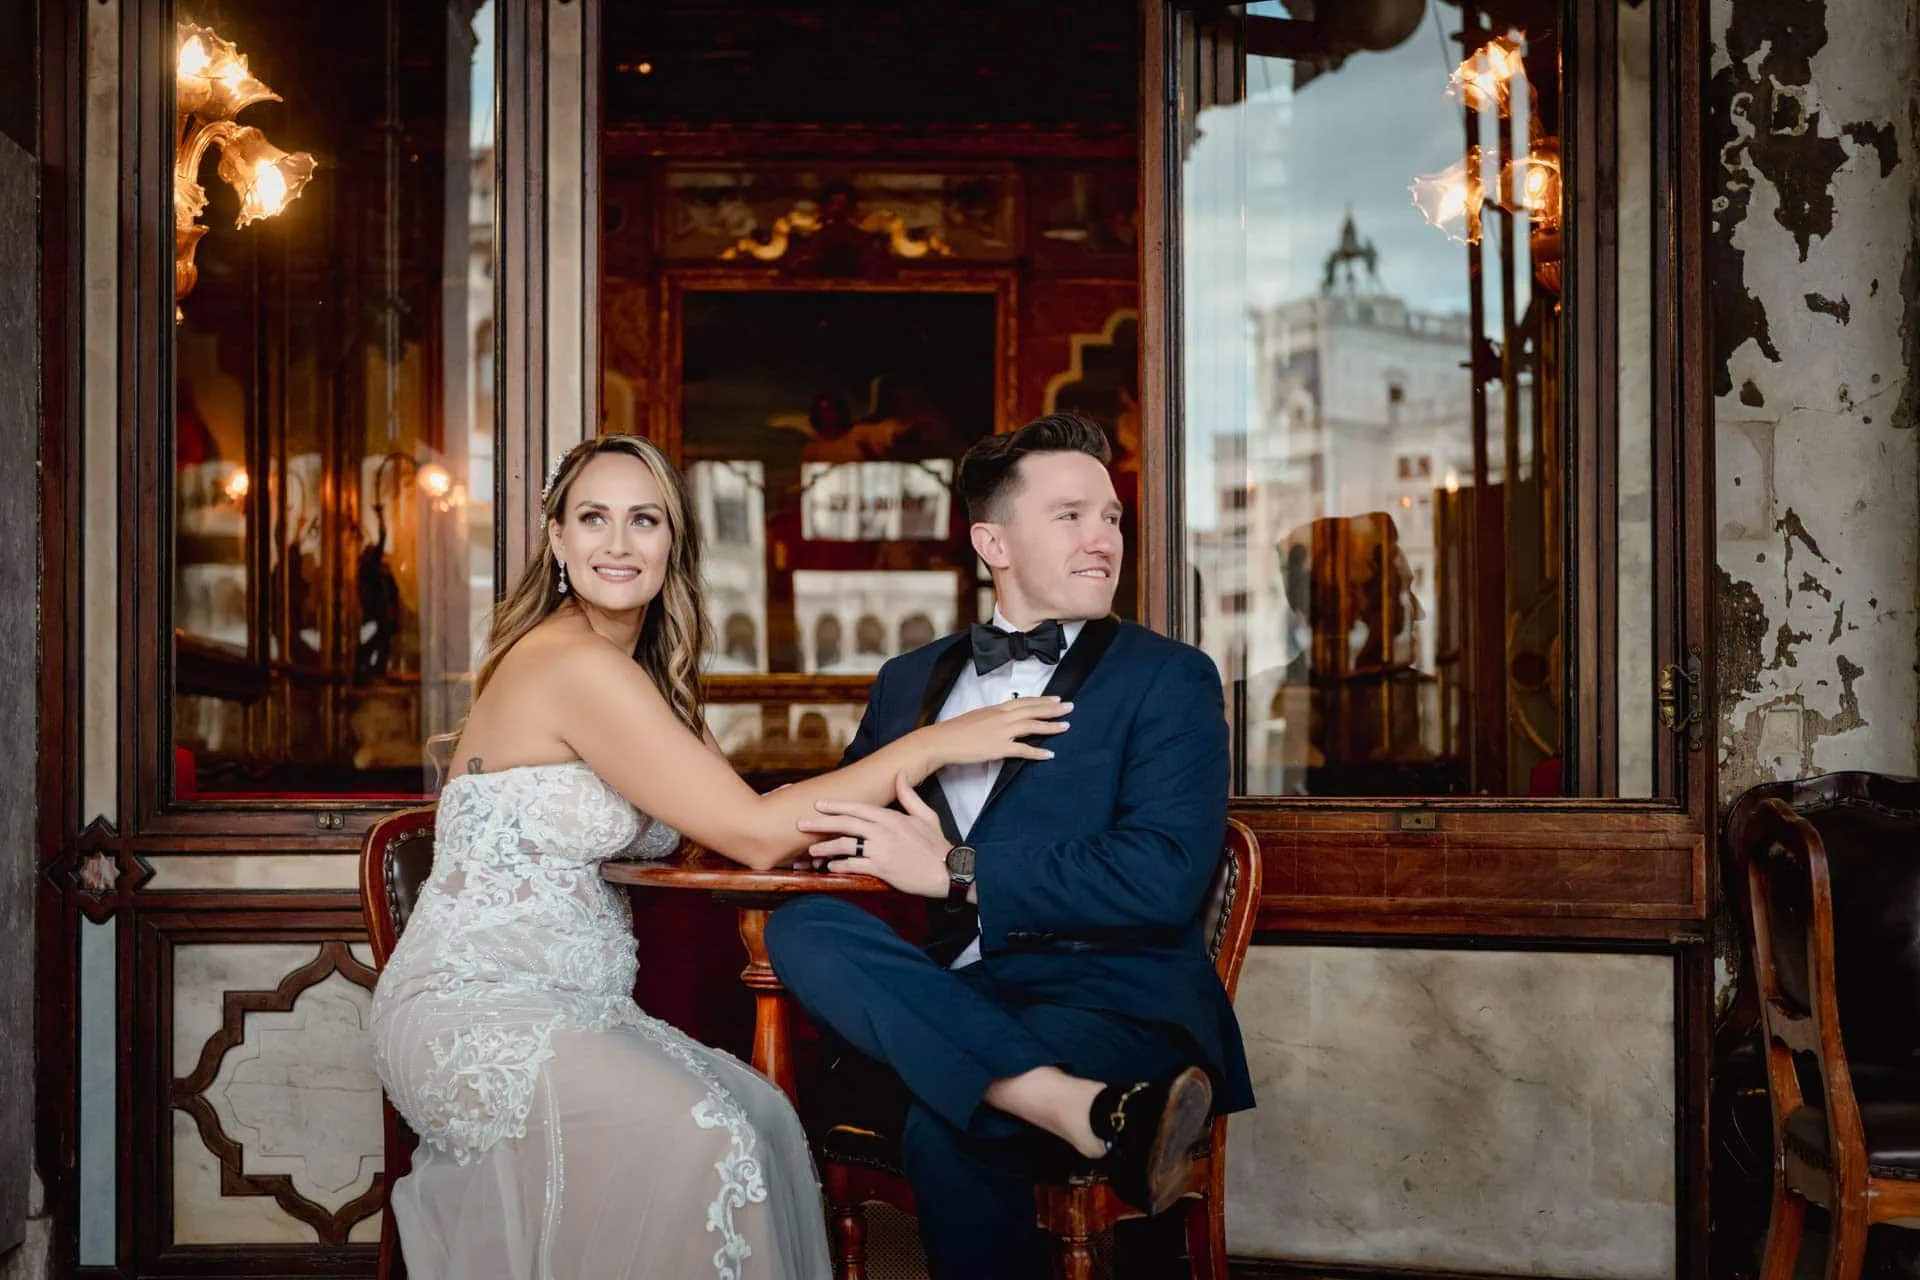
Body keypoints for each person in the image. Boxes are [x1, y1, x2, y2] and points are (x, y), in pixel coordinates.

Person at [369, 433, 1070, 1280]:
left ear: (674, 543)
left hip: (577, 1008)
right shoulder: (570, 662)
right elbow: (755, 834)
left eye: (645, 520)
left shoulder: (642, 678)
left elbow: (739, 819)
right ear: (556, 539)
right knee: (704, 1133)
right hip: (478, 1008)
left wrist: (868, 834)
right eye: (593, 519)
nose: (619, 544)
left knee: (766, 1115)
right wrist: (934, 743)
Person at [764, 413, 1255, 1279]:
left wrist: (958, 869)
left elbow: (1163, 876)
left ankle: (1063, 1094)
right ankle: (1082, 1108)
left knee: (951, 1125)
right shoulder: (909, 681)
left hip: (1108, 1000)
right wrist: (868, 818)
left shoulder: (1169, 679)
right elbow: (837, 833)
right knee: (798, 929)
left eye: (1110, 517)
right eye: (1070, 516)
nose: (1103, 538)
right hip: (954, 995)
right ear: (991, 540)